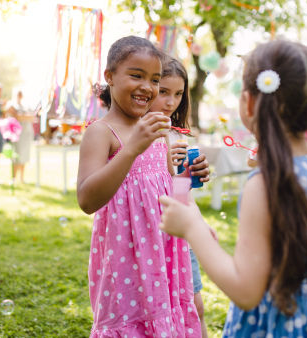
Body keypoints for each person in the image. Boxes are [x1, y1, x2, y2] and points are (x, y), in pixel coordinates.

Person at [159, 39, 307, 337]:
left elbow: (246, 291)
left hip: (282, 324)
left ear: (248, 102)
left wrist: (192, 227)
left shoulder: (265, 185)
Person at [76, 36, 208, 337]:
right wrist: (131, 148)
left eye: (155, 79)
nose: (147, 87)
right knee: (133, 320)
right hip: (127, 251)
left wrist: (187, 177)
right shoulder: (101, 132)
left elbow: (162, 188)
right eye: (136, 75)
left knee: (167, 314)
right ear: (109, 76)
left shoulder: (156, 129)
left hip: (165, 249)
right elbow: (86, 199)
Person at [149, 56, 214, 337]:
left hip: (181, 235)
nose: (170, 101)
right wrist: (166, 163)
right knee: (159, 306)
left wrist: (192, 173)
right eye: (163, 91)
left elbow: (178, 190)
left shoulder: (175, 133)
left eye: (178, 94)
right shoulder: (140, 134)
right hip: (152, 236)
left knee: (194, 303)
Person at [6, 89, 35, 184]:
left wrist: (22, 115)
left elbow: (32, 117)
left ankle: (22, 177)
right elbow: (15, 116)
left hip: (27, 133)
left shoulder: (26, 106)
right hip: (17, 134)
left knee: (25, 155)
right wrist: (23, 116)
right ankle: (14, 177)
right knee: (17, 154)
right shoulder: (12, 105)